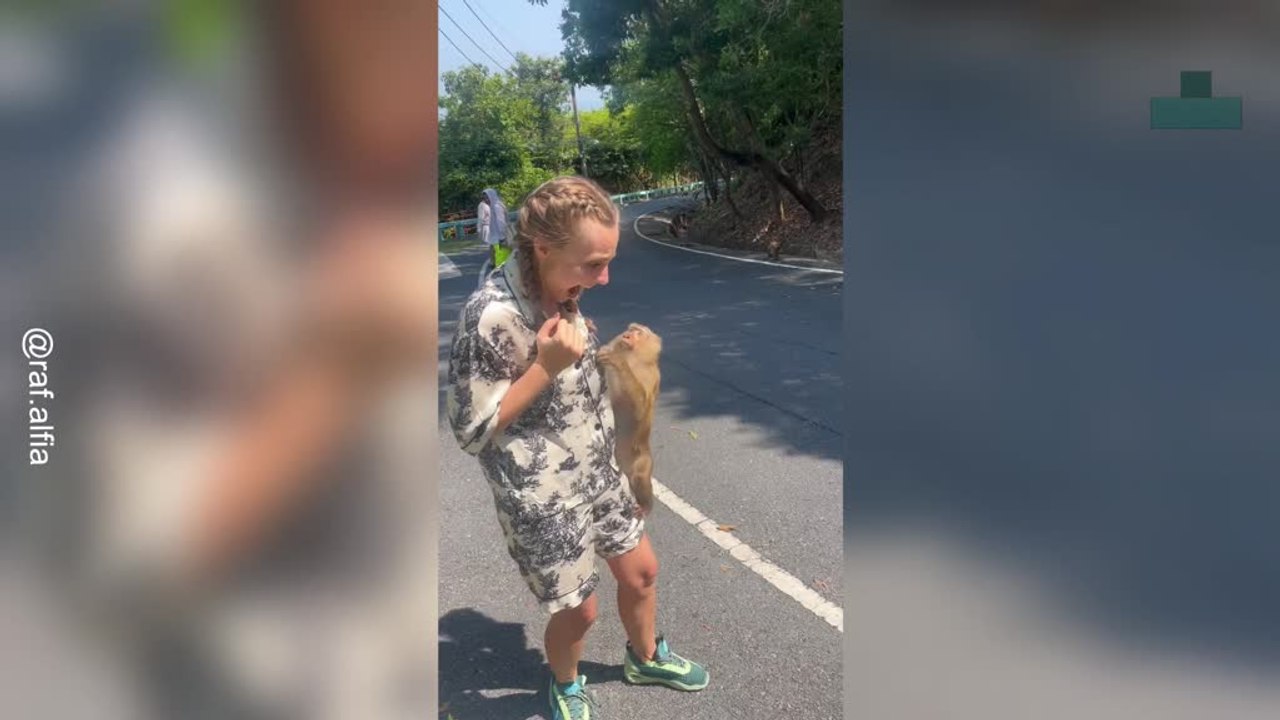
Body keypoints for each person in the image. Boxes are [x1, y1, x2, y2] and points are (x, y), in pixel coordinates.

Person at [446, 176, 708, 720]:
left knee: (642, 573)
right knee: (580, 612)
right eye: (592, 263)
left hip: (598, 472)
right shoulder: (489, 316)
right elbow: (472, 431)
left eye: (607, 261)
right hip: (542, 497)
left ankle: (645, 656)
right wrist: (546, 367)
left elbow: (573, 384)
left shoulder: (563, 291)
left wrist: (614, 357)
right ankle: (565, 683)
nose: (603, 277)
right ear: (542, 248)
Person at [476, 187, 511, 288]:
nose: (485, 200)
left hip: (500, 237)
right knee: (499, 259)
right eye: (484, 198)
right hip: (496, 237)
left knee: (502, 260)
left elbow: (501, 223)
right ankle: (502, 280)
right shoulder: (494, 206)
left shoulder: (496, 207)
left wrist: (503, 237)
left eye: (487, 197)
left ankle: (503, 281)